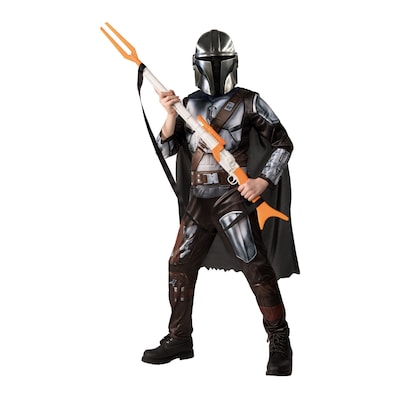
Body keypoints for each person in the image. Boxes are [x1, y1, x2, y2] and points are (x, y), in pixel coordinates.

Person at [141, 29, 299, 376]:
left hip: (232, 199)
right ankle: (179, 338)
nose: (214, 68)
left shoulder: (249, 102)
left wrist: (262, 180)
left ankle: (279, 338)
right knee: (179, 266)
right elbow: (166, 148)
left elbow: (282, 143)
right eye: (209, 63)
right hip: (198, 201)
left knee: (256, 267)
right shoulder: (188, 105)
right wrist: (170, 113)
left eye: (220, 62)